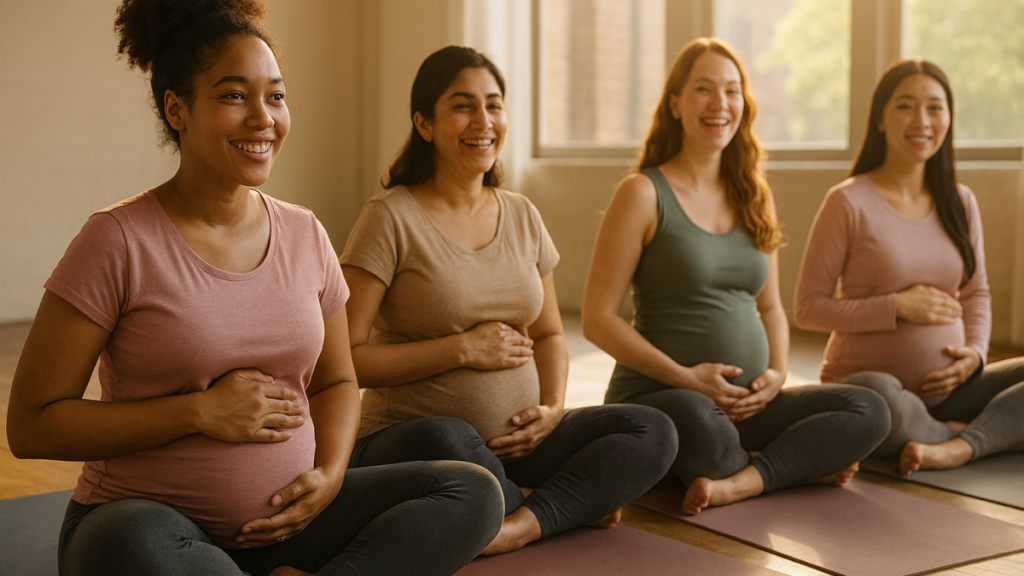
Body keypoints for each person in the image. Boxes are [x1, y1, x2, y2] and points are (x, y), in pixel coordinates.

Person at [6, 2, 504, 575]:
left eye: (276, 96)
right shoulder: (116, 240)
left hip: (292, 523)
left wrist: (330, 475)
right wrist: (198, 412)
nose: (263, 117)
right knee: (125, 544)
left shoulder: (306, 233)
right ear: (177, 108)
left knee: (471, 494)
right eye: (234, 95)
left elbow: (338, 379)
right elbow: (32, 423)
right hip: (153, 524)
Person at [340, 45, 677, 555]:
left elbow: (549, 334)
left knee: (651, 428)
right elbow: (346, 358)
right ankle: (559, 504)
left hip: (522, 443)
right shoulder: (389, 217)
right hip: (416, 442)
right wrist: (460, 350)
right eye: (462, 105)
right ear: (425, 124)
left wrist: (553, 408)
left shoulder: (522, 214)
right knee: (450, 437)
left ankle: (515, 522)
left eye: (494, 105)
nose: (483, 120)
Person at [581, 37, 890, 515]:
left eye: (731, 91)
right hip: (666, 400)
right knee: (699, 424)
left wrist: (777, 374)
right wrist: (687, 378)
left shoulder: (753, 194)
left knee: (869, 410)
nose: (720, 103)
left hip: (750, 406)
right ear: (676, 105)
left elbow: (770, 307)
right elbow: (598, 319)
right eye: (704, 89)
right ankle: (790, 467)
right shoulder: (642, 193)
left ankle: (745, 477)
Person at [794, 59, 1024, 477]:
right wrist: (895, 306)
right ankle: (987, 434)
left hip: (952, 390)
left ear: (949, 119)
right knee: (881, 402)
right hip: (871, 390)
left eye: (935, 107)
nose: (922, 120)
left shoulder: (961, 200)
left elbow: (976, 293)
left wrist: (974, 355)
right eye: (905, 106)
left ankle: (958, 442)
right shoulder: (847, 202)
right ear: (881, 117)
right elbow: (808, 308)